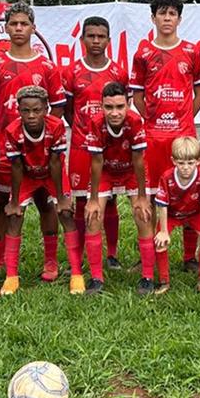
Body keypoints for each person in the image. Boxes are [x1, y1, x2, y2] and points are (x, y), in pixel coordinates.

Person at [0, 3, 65, 281]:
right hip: (8, 148)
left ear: (33, 28)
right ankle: (3, 256)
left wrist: (42, 137)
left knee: (45, 202)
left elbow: (58, 108)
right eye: (13, 24)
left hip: (41, 149)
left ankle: (51, 261)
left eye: (23, 24)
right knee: (7, 201)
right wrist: (6, 135)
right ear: (5, 28)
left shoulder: (47, 66)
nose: (18, 29)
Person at [130, 0, 200, 271]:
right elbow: (137, 95)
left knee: (190, 195)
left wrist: (187, 117)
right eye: (161, 13)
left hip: (183, 136)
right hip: (154, 138)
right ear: (153, 18)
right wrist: (149, 118)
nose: (166, 18)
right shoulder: (143, 53)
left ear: (179, 18)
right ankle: (149, 255)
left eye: (172, 13)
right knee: (152, 195)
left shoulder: (191, 51)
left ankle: (189, 258)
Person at [66, 15, 128, 271]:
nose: (95, 41)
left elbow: (123, 110)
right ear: (82, 39)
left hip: (112, 148)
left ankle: (111, 256)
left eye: (100, 36)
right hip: (82, 147)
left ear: (108, 40)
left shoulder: (117, 72)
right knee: (82, 203)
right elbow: (69, 110)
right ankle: (79, 257)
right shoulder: (72, 71)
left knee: (110, 200)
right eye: (90, 36)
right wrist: (83, 131)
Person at [0, 85, 75, 296]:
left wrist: (61, 198)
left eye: (37, 110)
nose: (31, 115)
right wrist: (14, 201)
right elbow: (15, 167)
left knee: (65, 212)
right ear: (19, 110)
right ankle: (11, 275)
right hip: (26, 175)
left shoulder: (56, 126)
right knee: (15, 216)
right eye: (26, 111)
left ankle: (71, 271)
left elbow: (55, 163)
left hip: (53, 174)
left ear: (46, 109)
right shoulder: (12, 130)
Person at [83, 82, 152, 295]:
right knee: (93, 216)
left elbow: (139, 160)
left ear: (128, 104)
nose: (114, 113)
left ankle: (148, 276)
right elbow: (96, 161)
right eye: (109, 107)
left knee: (143, 214)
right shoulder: (95, 123)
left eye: (120, 107)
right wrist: (93, 199)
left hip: (131, 171)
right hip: (105, 171)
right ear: (101, 106)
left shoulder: (135, 121)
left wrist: (141, 196)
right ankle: (96, 278)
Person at [153, 136, 200, 293]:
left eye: (190, 163)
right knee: (160, 241)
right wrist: (163, 231)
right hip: (172, 214)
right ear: (173, 161)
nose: (186, 168)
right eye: (181, 163)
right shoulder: (166, 177)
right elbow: (162, 204)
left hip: (195, 213)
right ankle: (164, 282)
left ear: (198, 161)